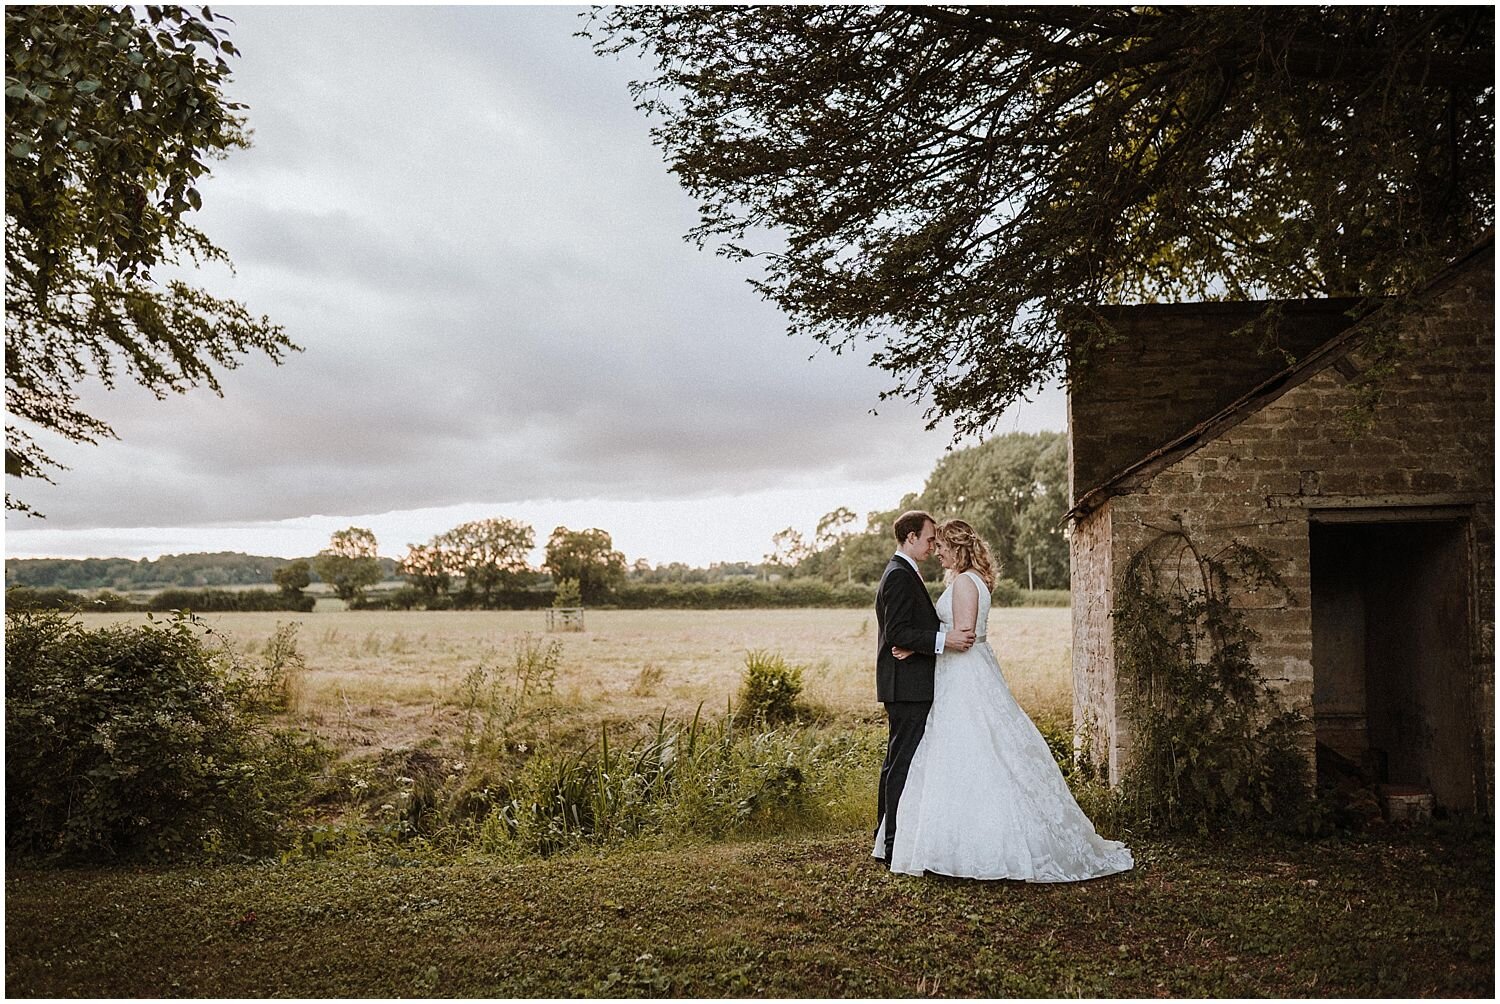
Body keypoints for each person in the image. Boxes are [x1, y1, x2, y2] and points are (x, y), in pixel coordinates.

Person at [882, 518, 1133, 882]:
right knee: (965, 754)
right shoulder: (966, 580)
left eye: (942, 546)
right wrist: (920, 642)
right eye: (933, 544)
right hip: (959, 674)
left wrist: (918, 643)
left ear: (956, 548)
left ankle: (987, 842)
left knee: (977, 753)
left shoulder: (966, 582)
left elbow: (964, 636)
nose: (937, 551)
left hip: (965, 676)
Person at [871, 510, 974, 865]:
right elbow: (898, 631)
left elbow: (904, 633)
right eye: (929, 539)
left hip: (905, 682)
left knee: (896, 763)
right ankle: (893, 842)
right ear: (910, 537)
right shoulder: (899, 576)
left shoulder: (903, 571)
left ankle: (886, 836)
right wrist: (940, 640)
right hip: (907, 685)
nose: (933, 545)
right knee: (902, 765)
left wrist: (917, 643)